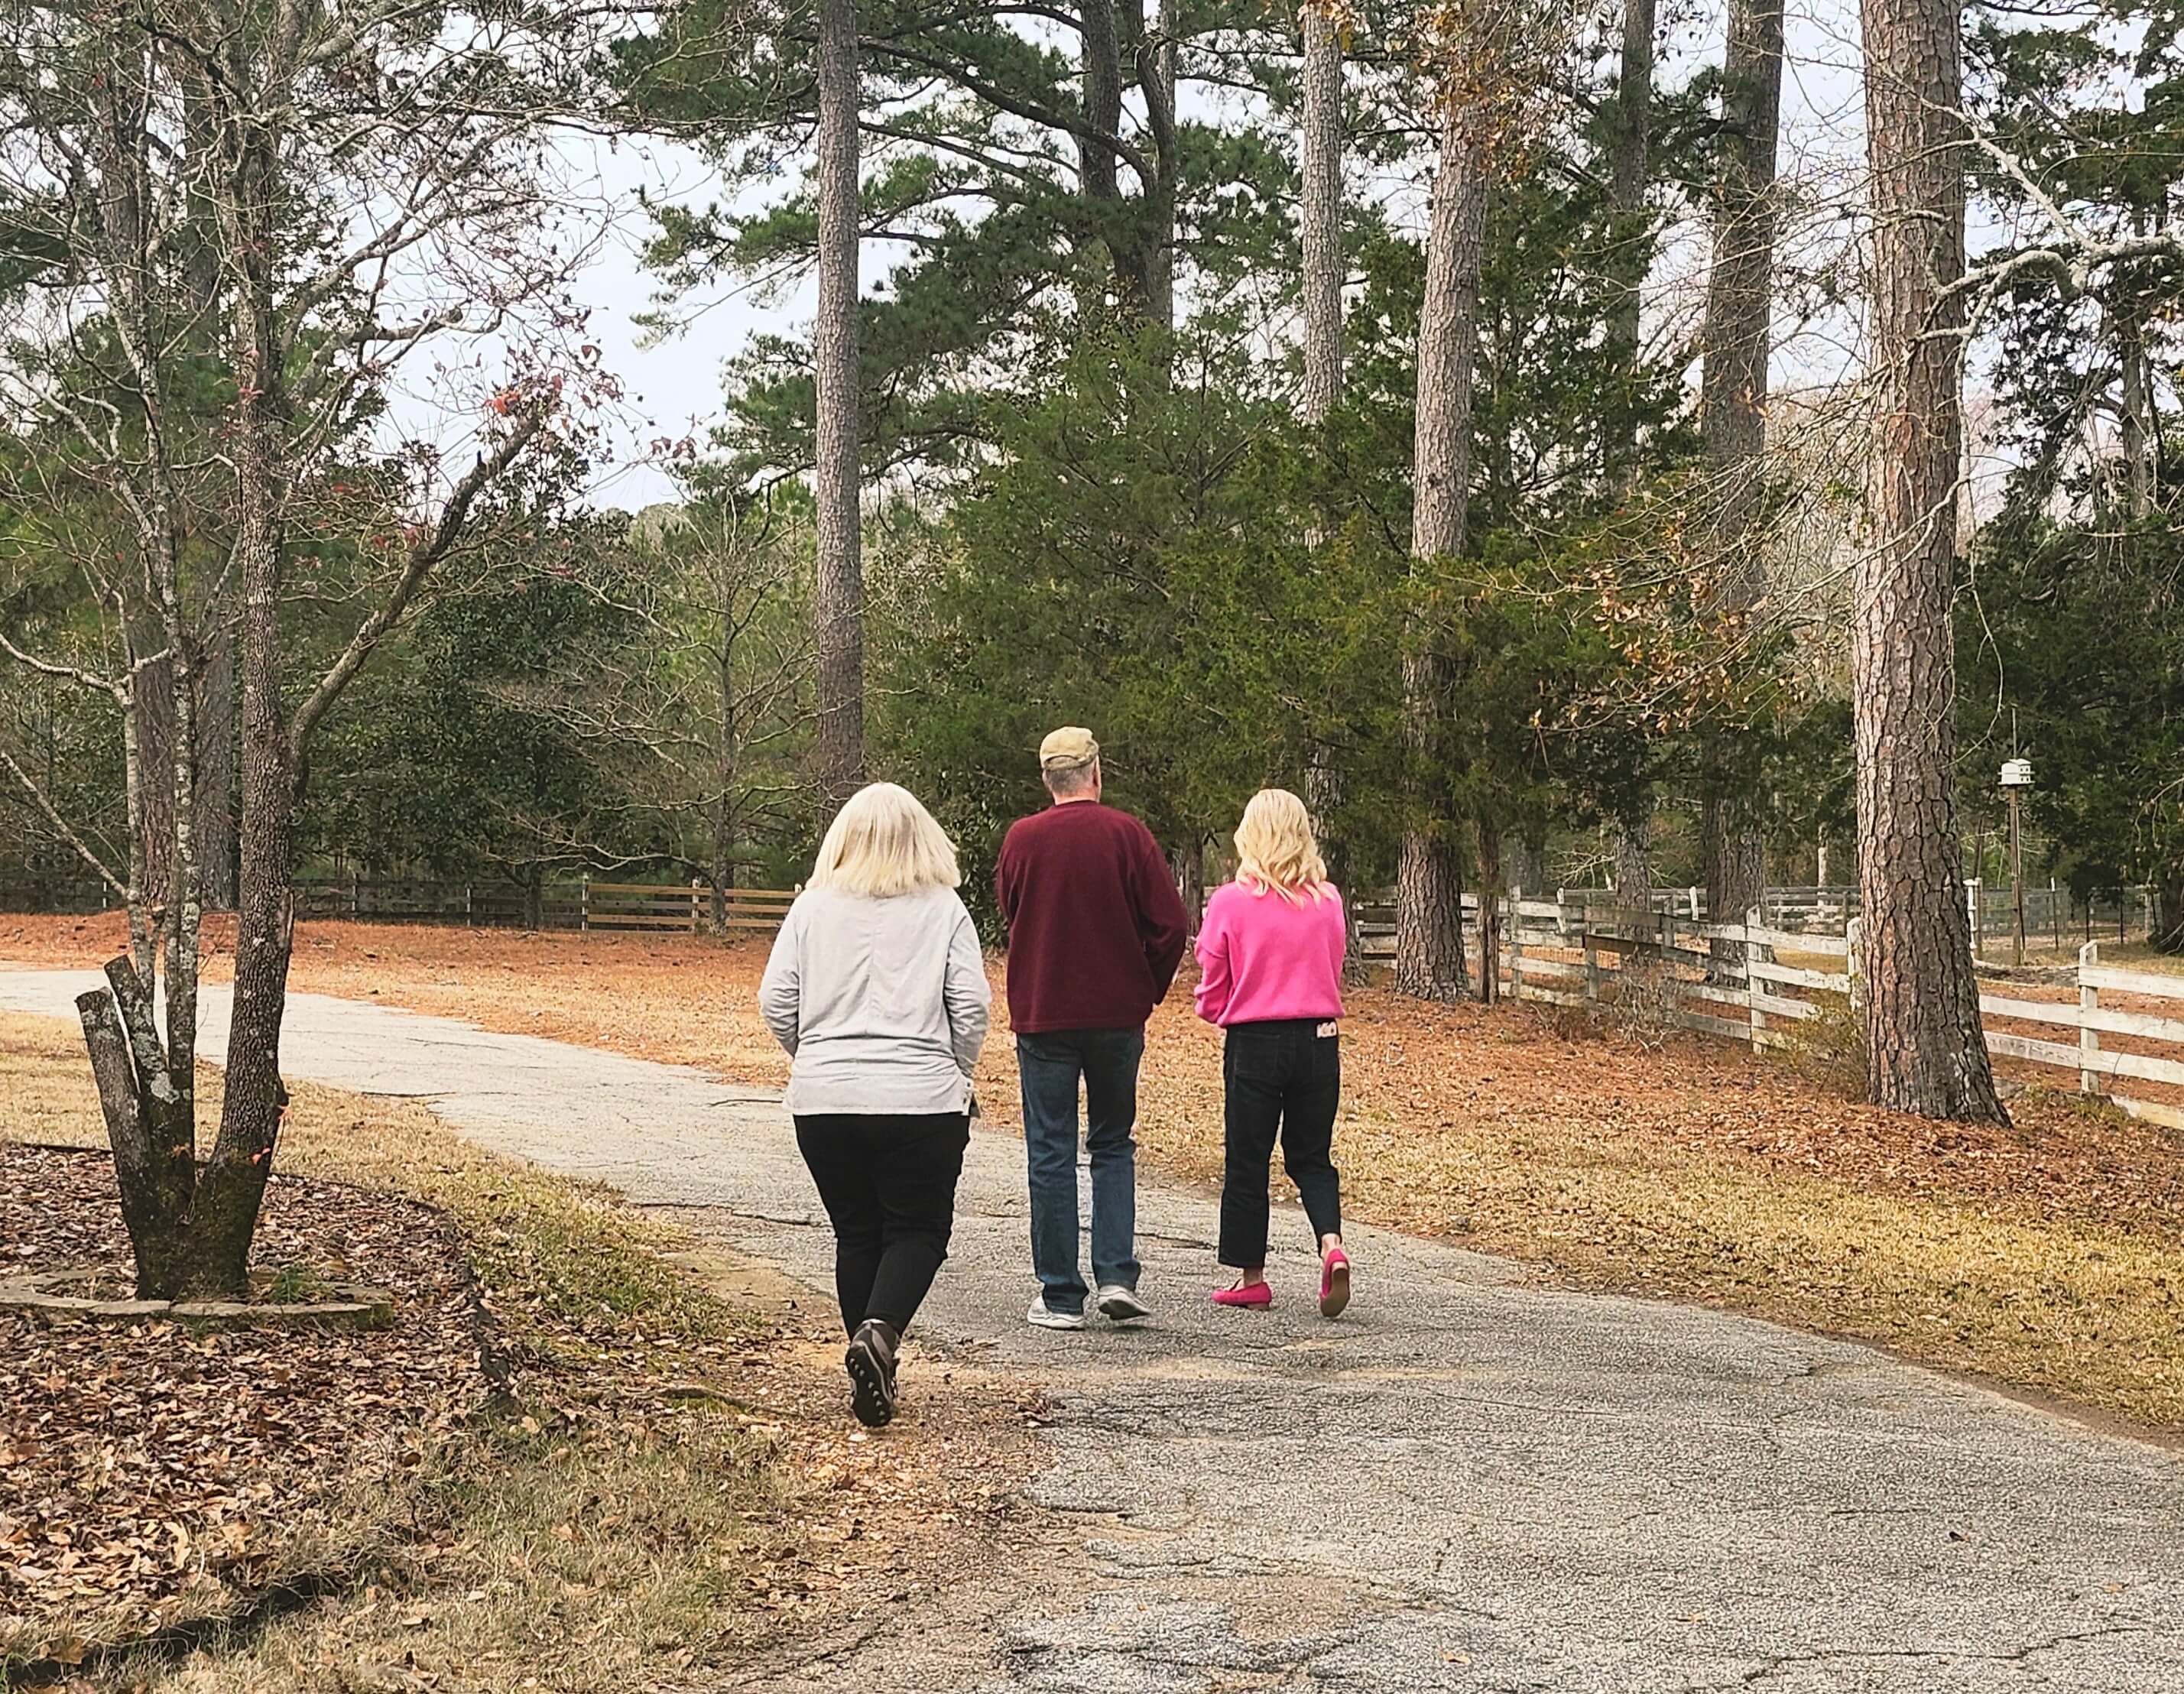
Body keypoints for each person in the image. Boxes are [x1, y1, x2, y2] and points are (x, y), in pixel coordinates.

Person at [760, 782, 991, 1427]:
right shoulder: (943, 909)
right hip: (919, 1095)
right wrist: (958, 1070)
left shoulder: (812, 908)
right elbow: (970, 1005)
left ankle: (872, 1358)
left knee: (856, 1229)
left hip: (824, 1098)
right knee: (918, 1230)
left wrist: (812, 1056)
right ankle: (880, 1334)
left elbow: (776, 999)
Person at [996, 727, 1188, 1329]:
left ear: (1047, 779)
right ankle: (1114, 1274)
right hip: (1114, 1015)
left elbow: (1010, 910)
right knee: (1111, 1143)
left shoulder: (1022, 840)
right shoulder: (1127, 836)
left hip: (1044, 1011)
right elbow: (1170, 925)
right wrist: (1143, 988)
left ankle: (1058, 1293)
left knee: (1049, 1149)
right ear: (1095, 773)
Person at [1192, 787, 1351, 1318]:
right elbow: (1335, 962)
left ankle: (1251, 1276)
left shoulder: (1230, 901)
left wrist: (1215, 1008)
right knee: (1311, 1157)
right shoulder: (1327, 900)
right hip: (1319, 1037)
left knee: (1248, 1158)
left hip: (1256, 1040)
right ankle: (1330, 1244)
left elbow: (1212, 966)